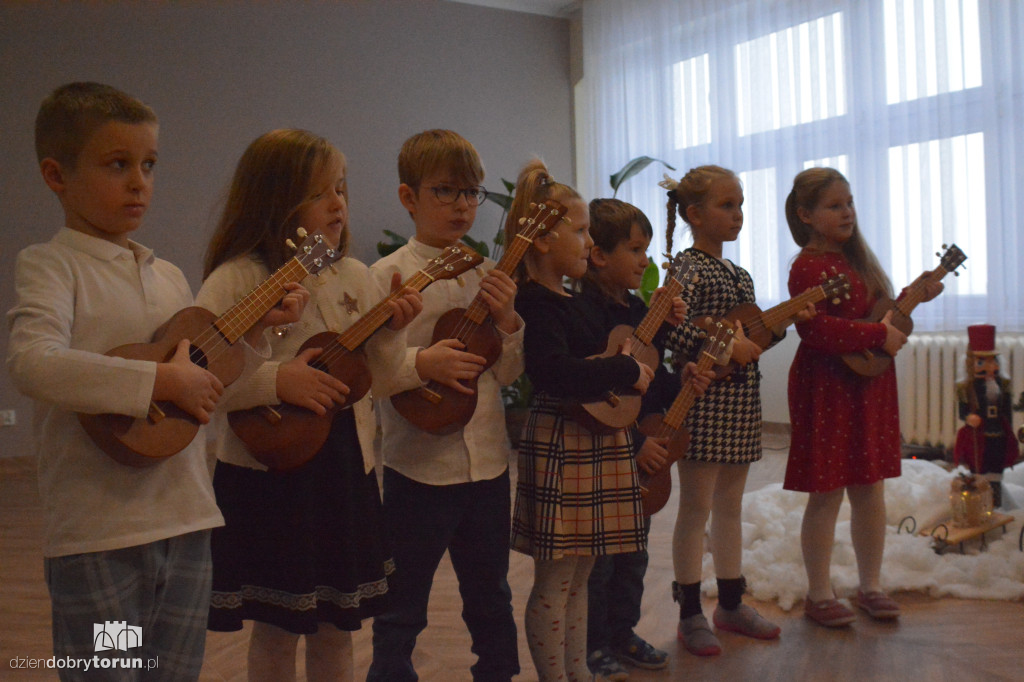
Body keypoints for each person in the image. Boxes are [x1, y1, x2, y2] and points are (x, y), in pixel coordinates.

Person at [7, 82, 305, 681]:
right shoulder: (51, 265)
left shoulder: (168, 276)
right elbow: (33, 362)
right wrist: (159, 381)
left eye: (148, 165)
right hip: (100, 535)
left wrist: (255, 334)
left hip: (187, 521)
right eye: (117, 165)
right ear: (56, 175)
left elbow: (205, 387)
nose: (139, 182)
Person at [195, 129, 442, 682]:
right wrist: (276, 381)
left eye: (341, 188)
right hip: (268, 476)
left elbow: (379, 379)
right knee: (276, 630)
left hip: (344, 471)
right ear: (274, 200)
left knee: (337, 628)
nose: (338, 204)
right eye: (319, 192)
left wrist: (391, 332)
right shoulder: (236, 278)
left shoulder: (353, 276)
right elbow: (202, 379)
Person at [367, 129, 523, 682]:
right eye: (445, 191)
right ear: (408, 197)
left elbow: (507, 373)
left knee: (492, 595)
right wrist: (423, 364)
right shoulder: (386, 276)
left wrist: (509, 321)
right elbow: (371, 373)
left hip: (488, 467)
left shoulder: (486, 275)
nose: (462, 205)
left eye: (471, 192)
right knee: (402, 602)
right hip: (418, 471)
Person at [508, 160, 661, 682]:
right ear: (543, 240)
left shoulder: (570, 300)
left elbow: (610, 348)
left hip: (592, 440)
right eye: (579, 231)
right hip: (562, 440)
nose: (589, 242)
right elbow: (553, 372)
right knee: (556, 581)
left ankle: (578, 670)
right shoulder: (536, 301)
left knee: (579, 576)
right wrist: (624, 370)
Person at [783, 167, 942, 627]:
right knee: (827, 492)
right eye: (835, 205)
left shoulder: (860, 261)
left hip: (869, 384)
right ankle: (818, 593)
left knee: (870, 488)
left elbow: (881, 314)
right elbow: (814, 329)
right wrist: (878, 334)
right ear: (806, 215)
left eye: (849, 203)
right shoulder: (806, 266)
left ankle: (870, 586)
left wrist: (916, 296)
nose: (847, 212)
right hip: (828, 386)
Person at [660, 166, 807, 656]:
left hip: (741, 403)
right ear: (695, 214)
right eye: (726, 205)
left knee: (729, 506)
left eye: (740, 204)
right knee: (696, 507)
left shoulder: (740, 274)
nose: (738, 214)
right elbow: (670, 329)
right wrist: (725, 345)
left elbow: (754, 338)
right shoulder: (686, 267)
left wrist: (782, 324)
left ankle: (729, 603)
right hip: (700, 400)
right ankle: (688, 613)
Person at [577, 198, 690, 679]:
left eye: (646, 249)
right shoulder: (584, 312)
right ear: (599, 255)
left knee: (634, 556)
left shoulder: (642, 309)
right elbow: (597, 397)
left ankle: (623, 632)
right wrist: (634, 443)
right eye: (635, 249)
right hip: (605, 453)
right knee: (600, 564)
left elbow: (651, 381)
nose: (645, 260)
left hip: (638, 449)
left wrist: (683, 379)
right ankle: (592, 644)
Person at [953, 324, 1017, 508]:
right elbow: (963, 411)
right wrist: (968, 418)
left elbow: (1007, 413)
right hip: (979, 438)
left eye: (993, 362)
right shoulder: (968, 388)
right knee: (979, 469)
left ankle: (996, 504)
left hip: (999, 436)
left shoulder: (1002, 387)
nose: (989, 368)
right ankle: (980, 505)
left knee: (996, 470)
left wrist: (1009, 433)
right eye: (982, 362)